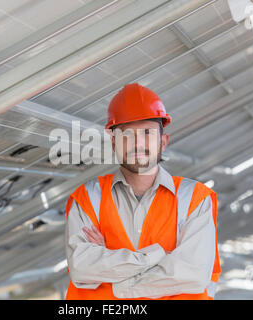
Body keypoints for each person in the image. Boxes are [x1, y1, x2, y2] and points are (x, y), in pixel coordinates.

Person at [64, 83, 220, 300]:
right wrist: (158, 256)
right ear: (113, 142)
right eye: (126, 134)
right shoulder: (88, 198)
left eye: (147, 133)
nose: (137, 143)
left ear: (163, 142)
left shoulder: (195, 198)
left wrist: (115, 274)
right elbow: (82, 267)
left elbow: (192, 274)